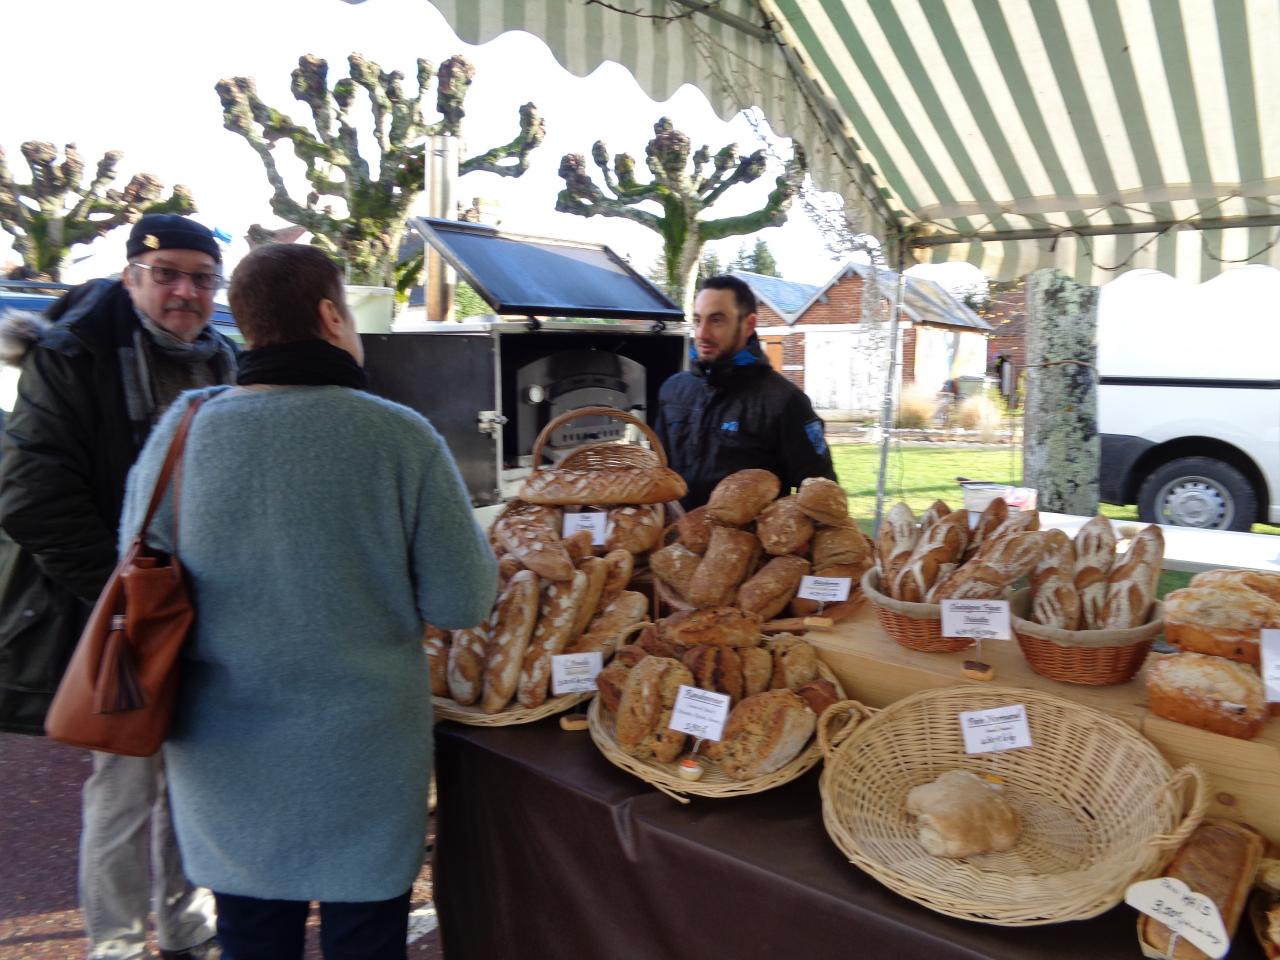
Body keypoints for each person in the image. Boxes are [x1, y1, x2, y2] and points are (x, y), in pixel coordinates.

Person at [117, 243, 498, 960]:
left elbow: (138, 562)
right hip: (364, 756)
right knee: (365, 939)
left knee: (251, 938)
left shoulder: (186, 427)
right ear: (329, 316)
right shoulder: (398, 435)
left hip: (223, 750)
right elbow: (463, 599)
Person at [0, 214, 237, 959]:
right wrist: (123, 593)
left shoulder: (225, 359)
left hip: (198, 603)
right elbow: (29, 494)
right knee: (125, 778)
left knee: (191, 773)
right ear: (130, 276)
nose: (184, 291)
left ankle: (186, 922)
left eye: (201, 278)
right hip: (112, 606)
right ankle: (116, 944)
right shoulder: (73, 358)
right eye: (166, 273)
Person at [653, 274, 836, 509]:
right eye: (698, 320)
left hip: (749, 544)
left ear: (748, 325)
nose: (702, 333)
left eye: (717, 321)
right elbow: (656, 473)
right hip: (674, 540)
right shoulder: (673, 390)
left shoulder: (784, 401)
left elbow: (822, 494)